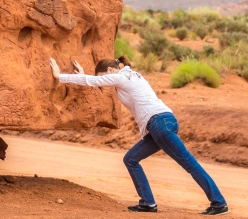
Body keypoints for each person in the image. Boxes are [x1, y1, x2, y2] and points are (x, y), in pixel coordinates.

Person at [49, 55, 228, 216]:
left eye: (104, 76)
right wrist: (86, 76)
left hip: (159, 124)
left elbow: (94, 82)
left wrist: (60, 76)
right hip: (163, 123)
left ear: (110, 71)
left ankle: (219, 203)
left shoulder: (120, 77)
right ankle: (148, 203)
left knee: (190, 164)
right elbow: (97, 82)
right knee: (131, 159)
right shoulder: (132, 75)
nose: (104, 79)